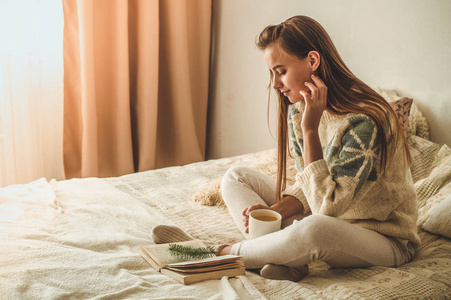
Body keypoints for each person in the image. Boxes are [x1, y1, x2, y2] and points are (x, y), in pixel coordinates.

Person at [151, 15, 420, 282]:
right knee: (236, 177)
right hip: (329, 217)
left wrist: (310, 130)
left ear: (313, 61)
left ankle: (218, 253)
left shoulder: (366, 120)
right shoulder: (300, 108)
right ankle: (286, 259)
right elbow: (311, 183)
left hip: (382, 239)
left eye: (281, 71)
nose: (275, 84)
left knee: (315, 228)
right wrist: (276, 212)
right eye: (272, 73)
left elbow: (328, 208)